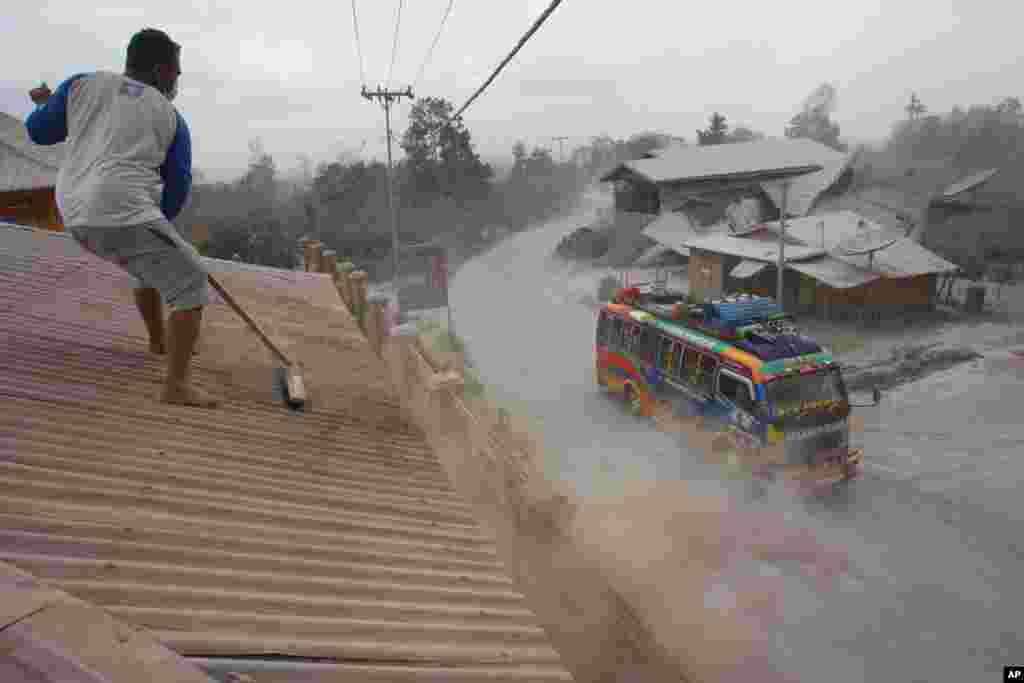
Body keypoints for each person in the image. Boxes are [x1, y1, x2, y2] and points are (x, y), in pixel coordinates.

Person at [26, 28, 219, 408]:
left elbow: (39, 131)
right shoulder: (171, 116)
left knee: (150, 262)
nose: (177, 81)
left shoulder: (80, 85)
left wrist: (45, 104)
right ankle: (176, 386)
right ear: (162, 70)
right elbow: (177, 185)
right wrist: (159, 222)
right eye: (176, 73)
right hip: (121, 210)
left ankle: (159, 342)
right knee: (192, 281)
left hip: (72, 210)